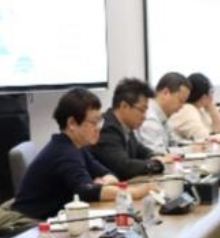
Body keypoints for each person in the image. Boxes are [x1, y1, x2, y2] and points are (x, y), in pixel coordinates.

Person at [11, 87, 159, 220]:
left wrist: (102, 183)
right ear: (72, 123)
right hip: (27, 226)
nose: (98, 128)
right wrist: (136, 192)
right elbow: (86, 191)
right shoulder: (63, 152)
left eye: (100, 122)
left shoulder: (77, 147)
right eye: (93, 123)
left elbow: (107, 174)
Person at [93, 77, 170, 180]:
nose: (144, 117)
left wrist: (155, 155)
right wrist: (155, 164)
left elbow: (140, 150)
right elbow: (124, 167)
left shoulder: (125, 126)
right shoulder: (107, 129)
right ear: (124, 106)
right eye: (142, 110)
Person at [138, 72, 190, 155]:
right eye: (181, 101)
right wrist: (189, 150)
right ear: (166, 93)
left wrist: (193, 145)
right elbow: (156, 153)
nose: (182, 106)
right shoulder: (149, 116)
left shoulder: (162, 115)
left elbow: (173, 142)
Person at [168, 72, 220, 143]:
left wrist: (212, 109)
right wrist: (212, 108)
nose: (212, 96)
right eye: (211, 92)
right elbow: (206, 139)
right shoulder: (187, 110)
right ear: (204, 96)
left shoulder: (199, 109)